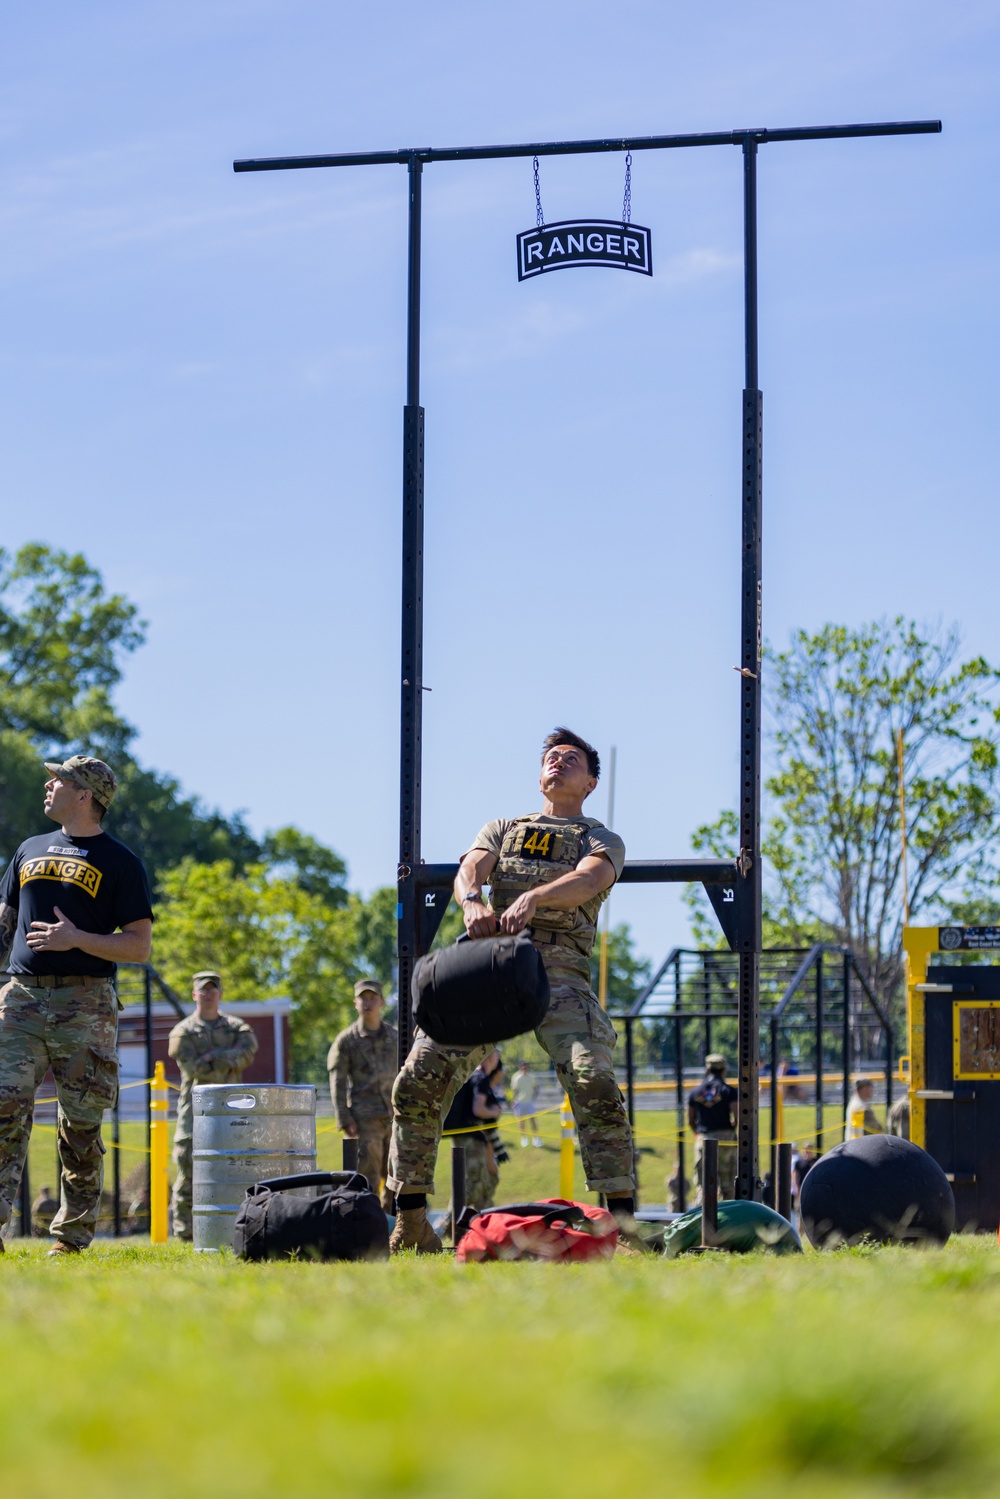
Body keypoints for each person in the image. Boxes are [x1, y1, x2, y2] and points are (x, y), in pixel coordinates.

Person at [387, 727, 638, 1254]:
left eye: (571, 759)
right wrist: (472, 900)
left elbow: (590, 880)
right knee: (417, 1077)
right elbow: (471, 867)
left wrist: (538, 897)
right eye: (551, 756)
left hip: (559, 970)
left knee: (593, 1079)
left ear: (590, 782)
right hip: (493, 965)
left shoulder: (600, 837)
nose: (558, 762)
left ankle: (625, 1228)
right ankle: (410, 1223)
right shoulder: (504, 827)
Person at [0, 756, 153, 1256]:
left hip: (85, 1003)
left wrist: (77, 939)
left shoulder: (121, 861)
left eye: (59, 779)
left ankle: (70, 1239)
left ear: (85, 794)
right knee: (3, 1113)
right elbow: (4, 925)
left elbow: (138, 947)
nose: (49, 785)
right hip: (20, 999)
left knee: (80, 1126)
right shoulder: (28, 849)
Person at [167, 971, 258, 1240]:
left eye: (213, 989)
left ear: (220, 994)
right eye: (202, 990)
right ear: (194, 995)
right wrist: (227, 1058)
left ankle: (233, 1228)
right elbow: (193, 1066)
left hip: (231, 1110)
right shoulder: (182, 1032)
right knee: (188, 1168)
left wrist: (213, 1055)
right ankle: (185, 1233)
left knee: (234, 1168)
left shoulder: (237, 1027)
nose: (208, 995)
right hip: (195, 1111)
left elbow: (248, 1054)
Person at [327, 978, 397, 1211]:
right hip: (364, 1120)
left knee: (396, 1177)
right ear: (355, 1003)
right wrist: (344, 1119)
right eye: (363, 998)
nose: (368, 1003)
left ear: (382, 1002)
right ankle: (371, 1229)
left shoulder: (395, 1037)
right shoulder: (347, 1041)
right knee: (368, 1178)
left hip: (394, 1117)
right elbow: (336, 1081)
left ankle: (392, 1226)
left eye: (373, 998)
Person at [443, 1048, 506, 1211]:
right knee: (473, 1182)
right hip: (471, 1137)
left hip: (465, 1136)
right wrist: (495, 1111)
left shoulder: (471, 1075)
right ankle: (448, 1224)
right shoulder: (480, 1078)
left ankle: (482, 1225)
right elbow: (479, 1109)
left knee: (480, 1183)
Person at [688, 1053, 738, 1203]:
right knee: (727, 1185)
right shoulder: (728, 1091)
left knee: (703, 1185)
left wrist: (699, 1133)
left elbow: (690, 1120)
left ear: (707, 1070)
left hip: (703, 1139)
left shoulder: (695, 1092)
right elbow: (737, 1116)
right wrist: (730, 1129)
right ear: (724, 1070)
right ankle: (728, 1222)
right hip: (725, 1138)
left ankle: (702, 1220)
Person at [511, 1060, 542, 1148]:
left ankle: (535, 1139)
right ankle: (524, 1139)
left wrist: (533, 1098)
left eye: (525, 1067)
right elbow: (514, 1090)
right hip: (519, 1102)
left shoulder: (531, 1077)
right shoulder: (516, 1077)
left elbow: (535, 1088)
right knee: (521, 1121)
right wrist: (513, 1101)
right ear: (520, 1067)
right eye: (522, 1067)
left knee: (533, 1120)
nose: (524, 1068)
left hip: (529, 1102)